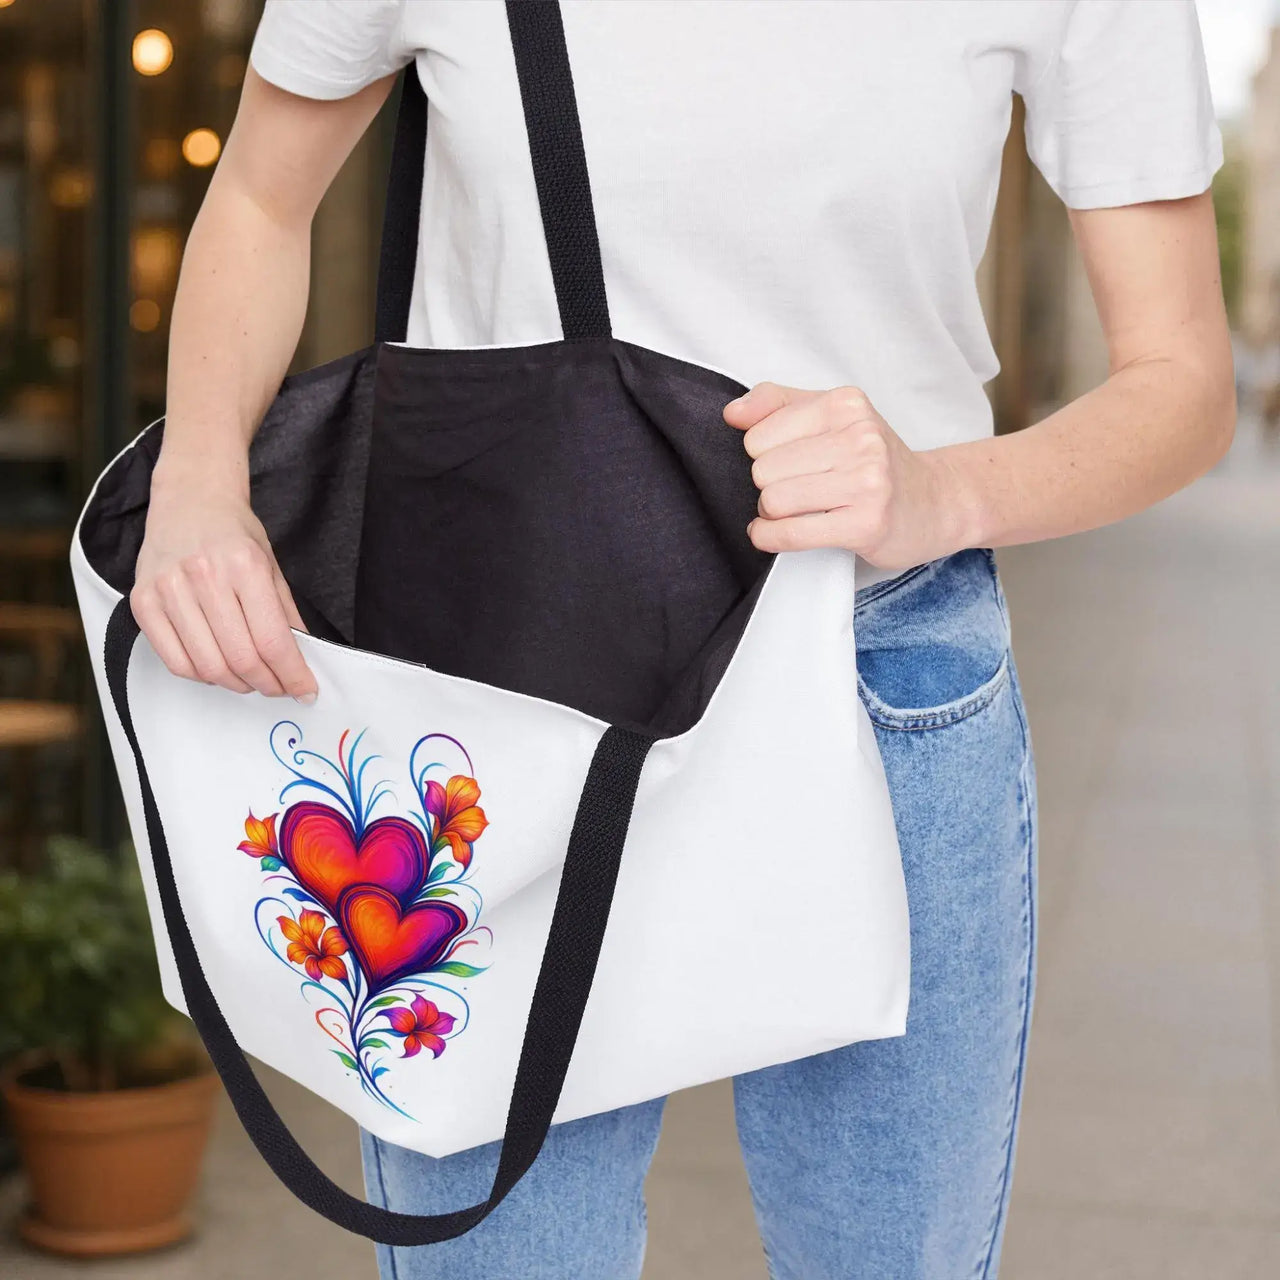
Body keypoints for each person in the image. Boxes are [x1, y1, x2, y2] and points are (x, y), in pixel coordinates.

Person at [129, 2, 1234, 1276]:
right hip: (509, 666)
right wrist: (200, 481)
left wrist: (945, 490)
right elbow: (262, 201)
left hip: (872, 665)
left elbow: (1181, 376)